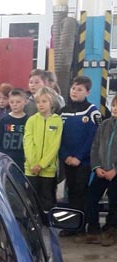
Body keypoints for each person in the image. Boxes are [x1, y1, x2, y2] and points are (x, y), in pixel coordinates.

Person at [59, 75, 101, 236]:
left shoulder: (92, 111)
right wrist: (65, 156)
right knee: (71, 192)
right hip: (67, 160)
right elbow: (57, 138)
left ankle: (82, 227)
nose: (75, 91)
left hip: (83, 162)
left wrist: (79, 157)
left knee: (81, 192)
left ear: (87, 92)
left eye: (79, 89)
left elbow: (93, 138)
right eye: (73, 88)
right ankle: (73, 226)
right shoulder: (63, 112)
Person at [82, 96, 117, 245]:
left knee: (114, 202)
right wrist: (97, 167)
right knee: (91, 198)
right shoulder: (104, 125)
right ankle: (94, 230)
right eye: (114, 105)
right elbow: (95, 146)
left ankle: (111, 230)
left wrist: (115, 170)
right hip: (101, 171)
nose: (115, 108)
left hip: (115, 173)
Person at [24, 87, 63, 212]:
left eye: (44, 101)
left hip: (48, 170)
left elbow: (55, 145)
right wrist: (33, 164)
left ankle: (47, 221)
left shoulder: (57, 121)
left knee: (47, 199)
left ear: (52, 102)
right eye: (38, 102)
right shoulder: (31, 120)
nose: (40, 104)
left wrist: (41, 164)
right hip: (31, 169)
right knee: (31, 200)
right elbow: (28, 143)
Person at [0, 89, 29, 171]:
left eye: (18, 102)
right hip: (5, 160)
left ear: (25, 102)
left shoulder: (28, 121)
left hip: (22, 161)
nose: (14, 104)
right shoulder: (3, 120)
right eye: (12, 102)